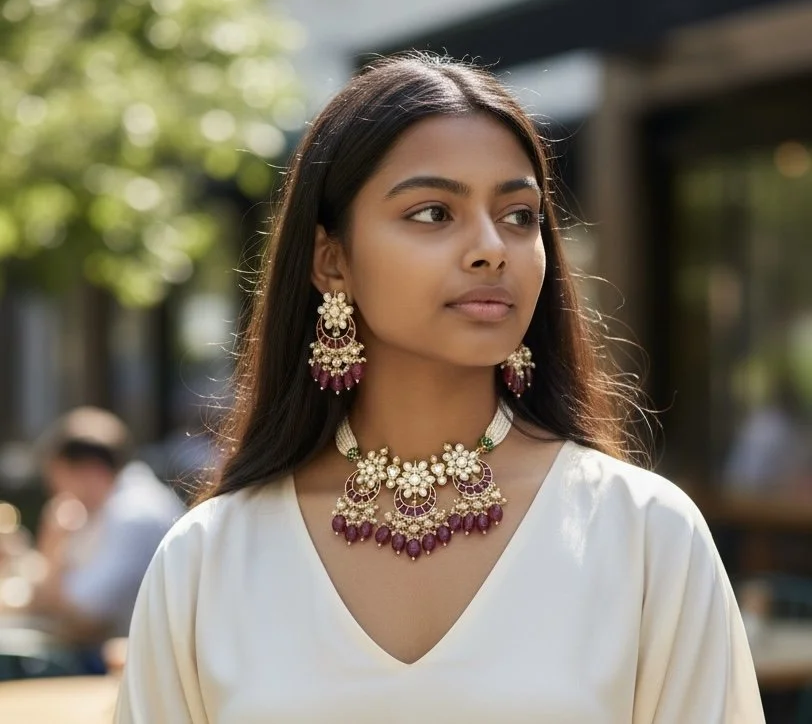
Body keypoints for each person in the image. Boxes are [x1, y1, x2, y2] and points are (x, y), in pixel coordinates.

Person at [115, 54, 765, 722]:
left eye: (519, 215)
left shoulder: (645, 535)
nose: (492, 247)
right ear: (331, 261)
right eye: (433, 213)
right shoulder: (208, 560)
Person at [28, 407, 185, 658]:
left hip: (139, 660)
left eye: (57, 480)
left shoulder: (133, 514)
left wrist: (52, 544)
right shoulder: (112, 505)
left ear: (91, 471)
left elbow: (84, 617)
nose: (55, 493)